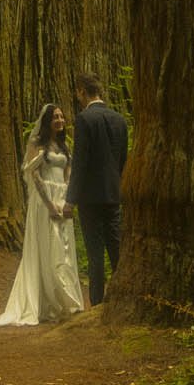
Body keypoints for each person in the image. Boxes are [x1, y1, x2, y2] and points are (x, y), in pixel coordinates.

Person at [0, 104, 84, 327]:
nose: (60, 120)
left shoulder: (64, 146)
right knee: (48, 247)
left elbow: (68, 173)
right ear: (47, 121)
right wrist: (51, 204)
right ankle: (47, 300)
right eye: (55, 117)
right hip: (45, 203)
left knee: (65, 249)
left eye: (61, 116)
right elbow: (33, 173)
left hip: (62, 200)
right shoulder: (37, 144)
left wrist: (66, 199)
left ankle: (65, 300)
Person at [65, 72, 128, 307]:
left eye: (77, 92)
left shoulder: (84, 119)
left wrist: (70, 199)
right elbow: (122, 159)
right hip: (113, 194)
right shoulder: (119, 119)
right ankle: (123, 299)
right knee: (116, 247)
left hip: (90, 197)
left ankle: (98, 304)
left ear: (82, 90)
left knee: (95, 252)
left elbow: (80, 162)